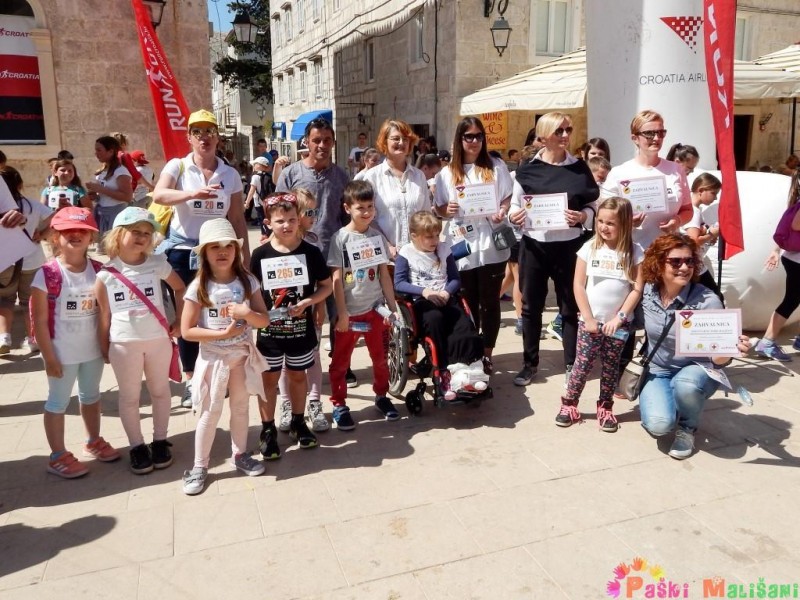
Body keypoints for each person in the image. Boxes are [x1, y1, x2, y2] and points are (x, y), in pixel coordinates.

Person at [152, 109, 249, 408]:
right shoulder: (178, 166)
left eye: (209, 131)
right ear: (189, 137)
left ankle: (219, 372)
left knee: (217, 311)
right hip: (183, 251)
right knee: (188, 317)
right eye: (197, 132)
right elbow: (159, 195)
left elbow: (237, 217)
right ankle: (191, 378)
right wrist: (192, 194)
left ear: (218, 137)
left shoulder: (229, 174)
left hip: (217, 251)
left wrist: (244, 258)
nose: (204, 137)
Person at [638, 234, 752, 459]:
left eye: (689, 261)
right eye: (675, 261)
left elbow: (719, 360)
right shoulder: (648, 292)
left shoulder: (708, 301)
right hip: (658, 370)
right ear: (658, 263)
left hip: (697, 370)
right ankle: (674, 402)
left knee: (686, 385)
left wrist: (730, 349)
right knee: (659, 426)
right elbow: (631, 322)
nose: (684, 267)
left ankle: (687, 427)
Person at [602, 111, 694, 383]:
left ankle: (656, 369)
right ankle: (620, 375)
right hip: (631, 254)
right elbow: (604, 213)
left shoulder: (675, 170)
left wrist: (677, 220)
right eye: (649, 133)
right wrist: (625, 220)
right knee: (627, 316)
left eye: (661, 132)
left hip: (667, 256)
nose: (656, 138)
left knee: (663, 315)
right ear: (635, 138)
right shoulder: (620, 173)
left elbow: (687, 209)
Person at [180, 219, 270, 495]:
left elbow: (263, 320)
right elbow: (186, 331)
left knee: (241, 408)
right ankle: (199, 466)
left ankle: (240, 454)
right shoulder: (199, 286)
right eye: (214, 247)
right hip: (213, 359)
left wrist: (247, 314)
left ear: (236, 250)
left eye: (228, 246)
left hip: (241, 357)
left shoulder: (248, 281)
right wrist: (221, 334)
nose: (222, 251)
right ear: (204, 253)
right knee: (210, 412)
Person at [509, 112, 599, 386]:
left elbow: (592, 204)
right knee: (531, 307)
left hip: (569, 246)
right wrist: (514, 216)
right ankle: (530, 364)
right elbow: (515, 205)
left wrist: (583, 216)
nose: (565, 135)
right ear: (544, 135)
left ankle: (572, 363)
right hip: (534, 245)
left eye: (568, 130)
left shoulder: (579, 168)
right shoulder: (527, 169)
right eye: (559, 131)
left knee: (570, 306)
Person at [30, 207, 120, 478]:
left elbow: (106, 312)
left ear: (92, 237)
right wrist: (49, 357)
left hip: (92, 351)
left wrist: (105, 347)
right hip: (61, 353)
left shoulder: (99, 270)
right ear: (55, 237)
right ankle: (57, 455)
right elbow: (39, 322)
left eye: (83, 230)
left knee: (91, 396)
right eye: (68, 230)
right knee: (57, 402)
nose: (76, 234)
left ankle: (93, 440)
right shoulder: (47, 274)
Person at [95, 207, 186, 475]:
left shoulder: (157, 263)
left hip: (158, 339)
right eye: (135, 231)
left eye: (147, 233)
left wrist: (180, 321)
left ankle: (160, 440)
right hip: (123, 343)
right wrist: (104, 346)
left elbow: (180, 288)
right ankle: (136, 446)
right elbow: (104, 316)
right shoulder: (105, 274)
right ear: (118, 234)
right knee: (130, 397)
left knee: (160, 391)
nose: (142, 237)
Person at [250, 193, 332, 458]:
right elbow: (251, 290)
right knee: (269, 380)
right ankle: (267, 429)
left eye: (292, 220)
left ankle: (298, 422)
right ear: (268, 223)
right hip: (270, 333)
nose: (286, 225)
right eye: (280, 221)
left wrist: (310, 301)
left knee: (298, 376)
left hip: (300, 330)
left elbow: (326, 285)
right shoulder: (259, 255)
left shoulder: (311, 252)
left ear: (299, 220)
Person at [275, 117, 353, 382]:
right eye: (316, 140)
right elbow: (278, 213)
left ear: (333, 143)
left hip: (333, 257)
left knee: (337, 313)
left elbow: (346, 217)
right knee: (301, 312)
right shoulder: (291, 174)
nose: (322, 145)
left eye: (327, 140)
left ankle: (341, 366)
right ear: (306, 142)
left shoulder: (341, 176)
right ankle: (301, 366)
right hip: (298, 257)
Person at [556, 197, 644, 432]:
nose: (604, 227)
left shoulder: (635, 252)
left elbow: (636, 289)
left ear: (625, 224)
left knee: (611, 367)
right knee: (582, 365)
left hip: (618, 325)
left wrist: (620, 318)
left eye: (611, 223)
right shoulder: (589, 247)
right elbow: (578, 285)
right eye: (601, 221)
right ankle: (569, 404)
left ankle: (605, 407)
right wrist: (588, 317)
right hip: (590, 323)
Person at [434, 116, 513, 375]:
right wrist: (446, 209)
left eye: (479, 136)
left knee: (490, 302)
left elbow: (508, 196)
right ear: (460, 139)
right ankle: (472, 352)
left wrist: (502, 210)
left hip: (491, 245)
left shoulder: (496, 166)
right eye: (469, 136)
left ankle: (487, 353)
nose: (475, 141)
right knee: (467, 301)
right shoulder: (446, 174)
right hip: (462, 245)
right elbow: (438, 208)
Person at [327, 181, 400, 430]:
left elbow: (383, 275)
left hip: (375, 310)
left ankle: (381, 395)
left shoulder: (377, 237)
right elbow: (337, 279)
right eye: (360, 207)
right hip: (350, 314)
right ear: (347, 208)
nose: (367, 212)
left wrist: (392, 308)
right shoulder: (340, 238)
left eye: (370, 207)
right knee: (341, 362)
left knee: (380, 359)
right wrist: (342, 313)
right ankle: (339, 404)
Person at [394, 211, 485, 399]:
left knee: (463, 324)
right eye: (429, 237)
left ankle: (469, 369)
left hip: (445, 297)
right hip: (422, 301)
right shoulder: (406, 253)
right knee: (435, 320)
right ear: (414, 236)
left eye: (437, 235)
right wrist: (424, 291)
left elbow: (455, 279)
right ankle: (443, 370)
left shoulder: (444, 249)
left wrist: (446, 292)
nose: (435, 240)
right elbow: (399, 283)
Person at [273, 188, 329, 433]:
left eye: (315, 211)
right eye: (309, 212)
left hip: (309, 309)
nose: (314, 216)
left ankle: (314, 401)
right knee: (285, 362)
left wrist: (320, 307)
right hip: (282, 315)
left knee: (313, 356)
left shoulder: (313, 242)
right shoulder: (273, 245)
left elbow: (322, 280)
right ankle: (286, 403)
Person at [0, 167, 53, 354]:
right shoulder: (32, 205)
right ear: (20, 184)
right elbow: (55, 218)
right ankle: (32, 338)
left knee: (5, 300)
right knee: (29, 301)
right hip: (32, 260)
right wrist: (42, 234)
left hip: (7, 260)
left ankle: (4, 336)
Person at [361, 120, 431, 256]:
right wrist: (387, 246)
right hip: (386, 257)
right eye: (395, 138)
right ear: (384, 142)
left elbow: (426, 214)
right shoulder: (372, 177)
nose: (401, 142)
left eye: (405, 139)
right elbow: (367, 218)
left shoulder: (419, 176)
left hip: (417, 254)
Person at [756, 168, 800, 362]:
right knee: (791, 300)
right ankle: (767, 342)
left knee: (792, 299)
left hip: (793, 258)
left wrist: (775, 250)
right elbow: (796, 225)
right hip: (796, 261)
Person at [682, 173, 723, 302]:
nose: (715, 198)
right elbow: (693, 241)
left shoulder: (691, 209)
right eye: (713, 193)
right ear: (701, 190)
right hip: (694, 265)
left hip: (694, 264)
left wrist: (708, 236)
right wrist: (712, 234)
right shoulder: (694, 211)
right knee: (715, 298)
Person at [86, 136, 133, 245]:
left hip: (115, 214)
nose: (96, 153)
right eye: (96, 150)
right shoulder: (103, 171)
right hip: (101, 213)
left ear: (110, 151)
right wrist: (95, 196)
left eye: (99, 150)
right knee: (102, 248)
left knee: (114, 247)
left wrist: (101, 189)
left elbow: (127, 197)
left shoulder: (120, 171)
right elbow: (104, 196)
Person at [244, 156, 273, 234]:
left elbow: (252, 190)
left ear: (260, 165)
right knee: (269, 218)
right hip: (268, 202)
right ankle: (270, 233)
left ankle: (265, 234)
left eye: (255, 164)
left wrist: (247, 202)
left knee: (262, 219)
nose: (253, 166)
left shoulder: (255, 177)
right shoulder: (269, 176)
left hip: (259, 203)